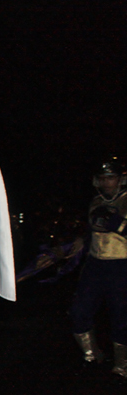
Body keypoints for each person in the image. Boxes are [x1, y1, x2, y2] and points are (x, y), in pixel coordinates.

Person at [69, 156, 127, 376]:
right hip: (95, 264)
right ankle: (91, 355)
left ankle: (122, 367)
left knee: (121, 316)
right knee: (79, 311)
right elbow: (91, 229)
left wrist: (117, 224)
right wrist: (80, 240)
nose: (106, 182)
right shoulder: (95, 201)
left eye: (110, 178)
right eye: (102, 178)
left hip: (121, 264)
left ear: (120, 179)